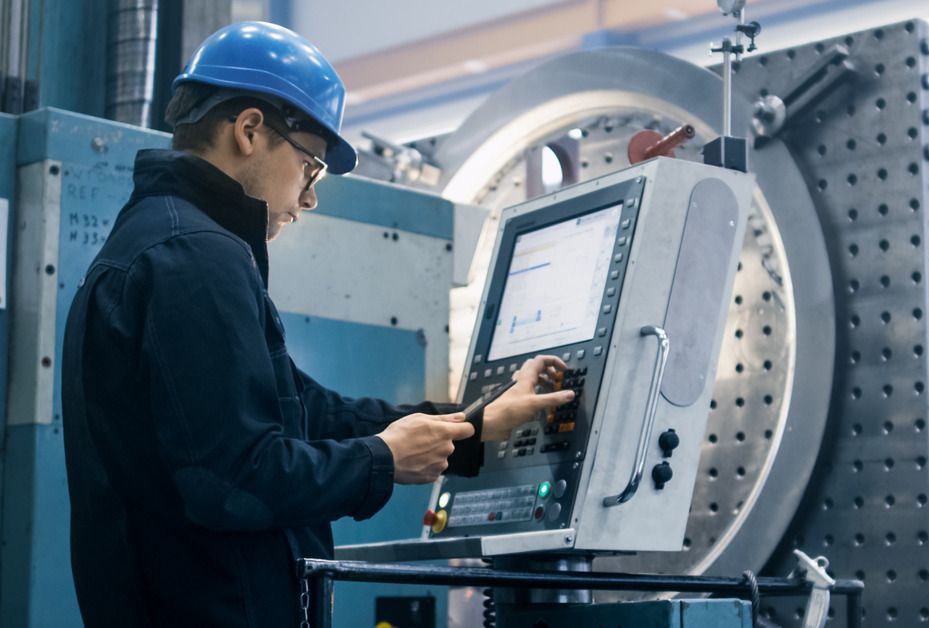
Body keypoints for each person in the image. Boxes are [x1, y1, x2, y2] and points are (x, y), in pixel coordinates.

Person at [60, 21, 574, 627]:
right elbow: (235, 477)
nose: (308, 199)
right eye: (310, 168)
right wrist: (381, 460)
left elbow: (305, 411)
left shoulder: (166, 242)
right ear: (249, 130)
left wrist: (474, 425)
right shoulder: (194, 256)